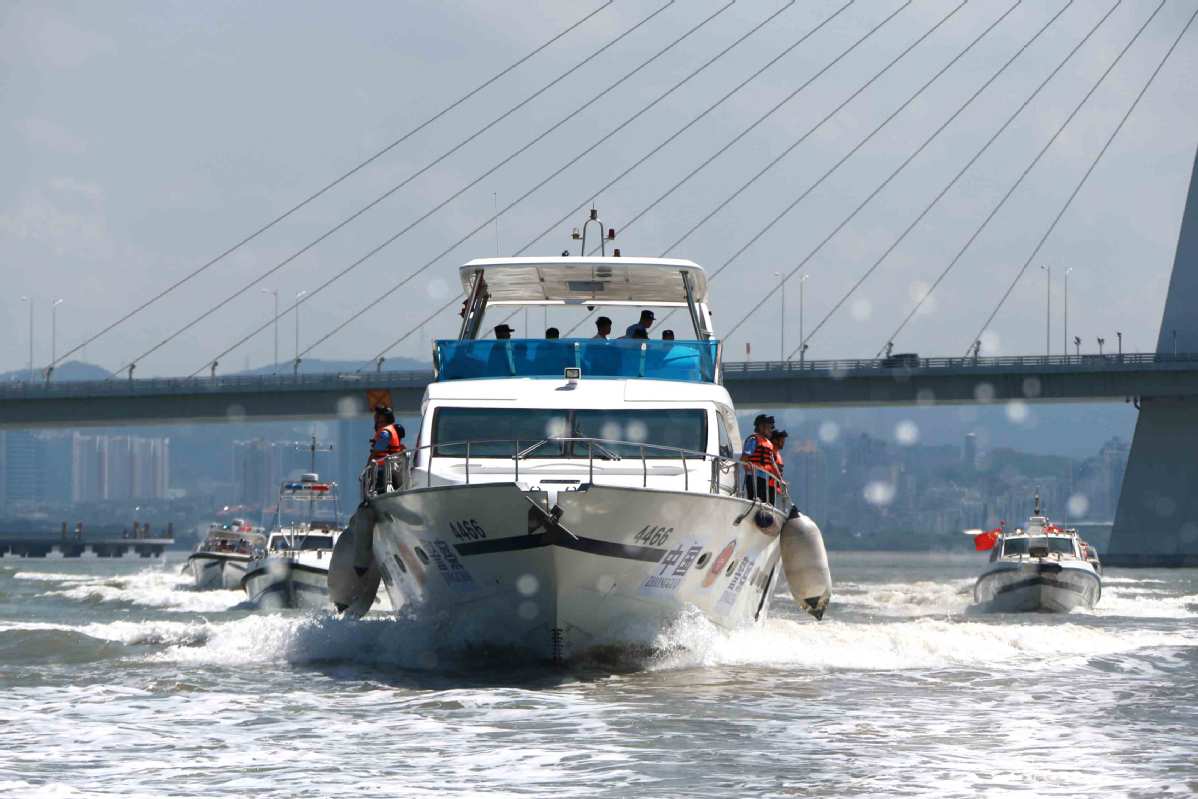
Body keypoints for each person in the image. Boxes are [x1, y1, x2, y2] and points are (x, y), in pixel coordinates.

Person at [741, 414, 777, 504]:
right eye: (769, 427)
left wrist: (780, 480)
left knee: (764, 502)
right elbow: (744, 457)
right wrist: (747, 465)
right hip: (753, 476)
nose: (771, 430)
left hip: (765, 478)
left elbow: (772, 463)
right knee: (754, 501)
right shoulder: (754, 440)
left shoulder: (769, 444)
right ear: (761, 427)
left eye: (771, 428)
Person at [369, 405, 406, 492]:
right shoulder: (390, 429)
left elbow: (379, 448)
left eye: (379, 415)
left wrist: (371, 458)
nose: (376, 417)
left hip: (383, 468)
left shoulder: (385, 432)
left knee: (379, 490)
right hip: (388, 466)